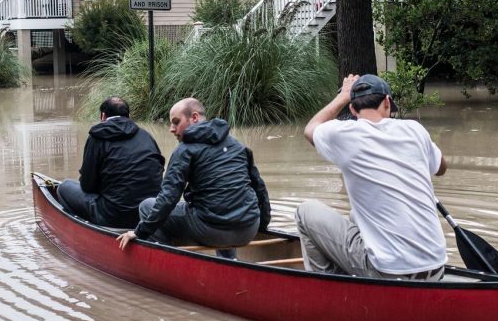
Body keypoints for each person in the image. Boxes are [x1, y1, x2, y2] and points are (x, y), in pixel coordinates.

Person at [296, 74, 448, 280]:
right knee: (354, 217)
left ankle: (328, 287)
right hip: (436, 268)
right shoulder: (414, 129)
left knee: (305, 212)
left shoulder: (342, 133)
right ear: (387, 101)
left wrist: (343, 96)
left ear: (352, 109)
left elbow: (310, 129)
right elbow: (441, 168)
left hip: (388, 273)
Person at [116, 98, 271, 258]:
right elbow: (260, 189)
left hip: (212, 232)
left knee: (147, 206)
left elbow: (168, 198)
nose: (171, 129)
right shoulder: (237, 145)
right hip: (249, 228)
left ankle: (169, 262)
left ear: (194, 118)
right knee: (217, 204)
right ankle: (229, 260)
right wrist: (263, 226)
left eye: (176, 122)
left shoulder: (185, 150)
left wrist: (139, 231)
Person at [57, 96, 164, 228]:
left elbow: (87, 186)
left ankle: (88, 230)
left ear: (103, 116)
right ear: (128, 116)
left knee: (64, 187)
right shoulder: (146, 136)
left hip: (113, 216)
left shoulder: (97, 138)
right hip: (150, 213)